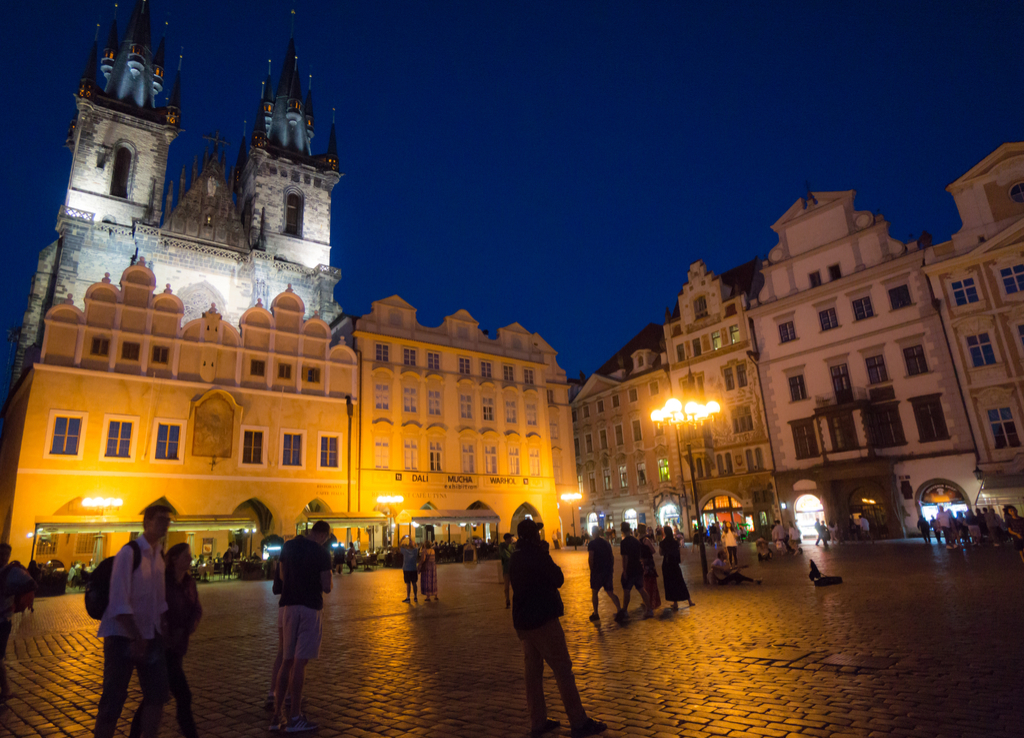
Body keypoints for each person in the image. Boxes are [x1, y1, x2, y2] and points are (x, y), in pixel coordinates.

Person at [509, 518, 606, 738]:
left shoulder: (515, 557)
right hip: (543, 619)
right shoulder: (537, 555)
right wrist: (545, 555)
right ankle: (578, 721)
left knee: (532, 674)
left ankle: (538, 721)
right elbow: (558, 578)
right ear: (533, 536)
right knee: (563, 670)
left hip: (523, 623)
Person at [93, 504, 173, 738]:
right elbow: (119, 600)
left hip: (151, 634)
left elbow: (159, 598)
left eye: (168, 520)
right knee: (113, 699)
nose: (165, 524)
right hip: (122, 637)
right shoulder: (129, 553)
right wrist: (135, 636)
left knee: (157, 694)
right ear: (146, 522)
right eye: (160, 519)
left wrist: (164, 625)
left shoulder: (158, 554)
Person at [129, 543, 201, 738]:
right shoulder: (164, 583)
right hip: (164, 646)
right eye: (186, 556)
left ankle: (134, 734)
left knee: (153, 698)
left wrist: (190, 625)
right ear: (175, 559)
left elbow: (196, 608)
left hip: (178, 647)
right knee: (181, 695)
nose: (190, 559)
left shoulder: (189, 582)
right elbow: (160, 610)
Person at [271, 520, 332, 732]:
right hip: (309, 608)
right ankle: (295, 717)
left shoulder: (288, 546)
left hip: (288, 606)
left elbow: (281, 576)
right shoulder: (321, 553)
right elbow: (327, 586)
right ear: (323, 535)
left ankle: (276, 716)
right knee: (300, 663)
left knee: (286, 661)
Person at [617, 522, 652, 622]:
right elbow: (640, 555)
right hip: (638, 567)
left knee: (627, 591)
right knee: (641, 589)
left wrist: (624, 570)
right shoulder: (636, 541)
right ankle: (649, 609)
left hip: (630, 569)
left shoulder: (624, 542)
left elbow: (625, 558)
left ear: (622, 531)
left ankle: (625, 610)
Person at [586, 527, 621, 622]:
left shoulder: (592, 544)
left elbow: (591, 558)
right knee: (610, 592)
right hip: (607, 571)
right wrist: (611, 568)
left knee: (594, 593)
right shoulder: (606, 543)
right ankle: (619, 609)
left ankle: (596, 613)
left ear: (593, 533)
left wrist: (591, 569)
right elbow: (612, 557)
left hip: (597, 571)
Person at [659, 525, 694, 610]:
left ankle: (675, 603)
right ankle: (689, 600)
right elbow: (678, 552)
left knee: (670, 583)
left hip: (667, 564)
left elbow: (661, 553)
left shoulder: (663, 542)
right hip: (674, 563)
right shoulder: (675, 542)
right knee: (680, 581)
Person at [638, 525, 662, 612]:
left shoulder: (637, 540)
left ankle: (644, 601)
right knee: (651, 582)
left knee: (644, 582)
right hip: (649, 563)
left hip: (642, 563)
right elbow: (653, 550)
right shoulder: (646, 540)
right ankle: (652, 601)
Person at [0, 543, 12, 701]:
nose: (3, 557)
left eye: (5, 555)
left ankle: (6, 689)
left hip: (3, 620)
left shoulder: (12, 572)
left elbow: (31, 584)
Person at [399, 537, 420, 603]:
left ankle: (408, 597)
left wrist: (402, 539)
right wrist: (412, 540)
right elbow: (417, 546)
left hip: (406, 569)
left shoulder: (405, 551)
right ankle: (415, 597)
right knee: (414, 583)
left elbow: (399, 546)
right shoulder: (415, 551)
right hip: (413, 568)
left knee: (408, 584)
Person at [499, 533, 515, 609]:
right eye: (510, 538)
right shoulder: (502, 547)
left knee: (515, 585)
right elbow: (505, 555)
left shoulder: (512, 547)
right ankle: (507, 600)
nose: (511, 539)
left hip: (513, 568)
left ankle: (514, 601)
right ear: (507, 539)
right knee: (506, 587)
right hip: (506, 569)